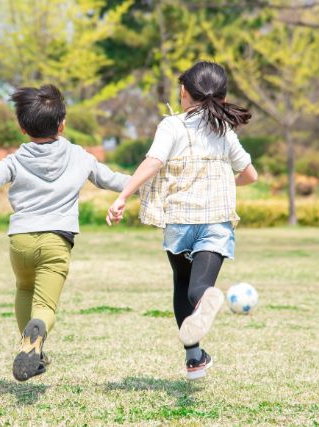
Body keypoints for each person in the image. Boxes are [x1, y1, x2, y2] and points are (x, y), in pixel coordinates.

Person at [0, 84, 130, 382]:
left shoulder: (15, 160)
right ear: (62, 124)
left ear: (22, 128)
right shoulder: (80, 156)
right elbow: (111, 180)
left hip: (21, 241)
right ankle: (35, 335)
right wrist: (145, 184)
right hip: (56, 241)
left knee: (24, 288)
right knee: (45, 307)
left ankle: (31, 348)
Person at [106, 61, 258, 380]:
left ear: (183, 92)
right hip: (216, 221)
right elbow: (249, 175)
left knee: (181, 283)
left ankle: (194, 358)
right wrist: (225, 184)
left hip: (180, 221)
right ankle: (206, 299)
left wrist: (123, 196)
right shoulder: (224, 131)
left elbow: (154, 162)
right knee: (199, 287)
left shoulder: (173, 126)